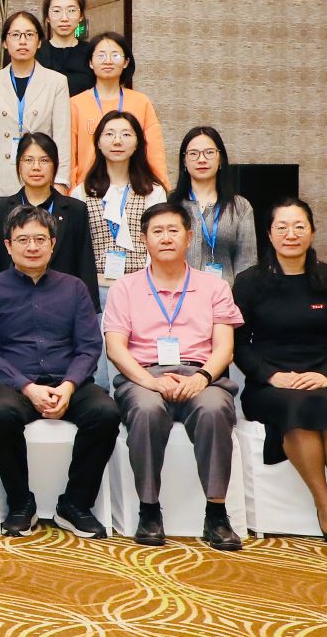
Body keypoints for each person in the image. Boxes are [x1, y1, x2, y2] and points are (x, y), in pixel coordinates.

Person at [233, 197, 327, 547]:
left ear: (312, 232)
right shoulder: (249, 282)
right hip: (269, 384)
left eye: (299, 226)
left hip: (320, 377)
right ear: (269, 234)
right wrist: (270, 375)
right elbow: (236, 342)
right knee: (296, 408)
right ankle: (324, 504)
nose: (291, 234)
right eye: (282, 227)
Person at [0, 205, 119, 538]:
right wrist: (27, 387)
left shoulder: (75, 288)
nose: (32, 247)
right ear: (8, 246)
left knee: (105, 412)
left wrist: (68, 386)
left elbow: (89, 347)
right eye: (23, 240)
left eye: (40, 239)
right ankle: (21, 504)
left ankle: (75, 504)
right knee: (0, 413)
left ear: (53, 244)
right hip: (11, 384)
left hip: (68, 382)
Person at [103, 202, 245, 550]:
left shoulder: (214, 287)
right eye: (157, 231)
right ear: (143, 239)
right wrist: (150, 381)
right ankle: (149, 510)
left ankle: (216, 514)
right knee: (146, 410)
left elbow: (225, 348)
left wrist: (203, 378)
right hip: (144, 376)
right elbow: (116, 348)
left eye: (173, 231)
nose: (166, 238)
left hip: (201, 374)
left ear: (189, 237)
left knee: (214, 409)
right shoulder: (125, 287)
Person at [0, 133, 99, 298]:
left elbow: (85, 265)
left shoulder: (75, 210)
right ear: (19, 165)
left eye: (44, 160)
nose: (36, 167)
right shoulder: (1, 210)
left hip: (63, 301)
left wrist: (89, 306)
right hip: (12, 302)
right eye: (28, 160)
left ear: (55, 166)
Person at [0, 10, 73, 197]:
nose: (22, 41)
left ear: (39, 42)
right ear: (5, 42)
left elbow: (62, 135)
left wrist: (61, 180)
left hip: (42, 175)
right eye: (15, 35)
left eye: (29, 35)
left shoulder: (57, 82)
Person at [77, 110, 169, 291]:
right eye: (109, 134)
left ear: (137, 143)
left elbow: (158, 240)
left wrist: (149, 283)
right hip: (93, 287)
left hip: (141, 286)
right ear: (98, 142)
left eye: (126, 134)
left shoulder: (153, 192)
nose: (117, 141)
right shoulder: (81, 192)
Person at [67, 31, 168, 190]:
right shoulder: (75, 104)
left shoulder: (141, 102)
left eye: (115, 56)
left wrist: (162, 189)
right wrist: (70, 194)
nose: (108, 61)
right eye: (101, 56)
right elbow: (69, 157)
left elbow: (155, 153)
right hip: (88, 190)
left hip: (135, 189)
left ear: (126, 62)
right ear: (91, 62)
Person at [173, 126, 259, 279]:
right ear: (184, 161)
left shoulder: (240, 207)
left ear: (221, 159)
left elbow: (246, 262)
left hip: (225, 293)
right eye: (193, 153)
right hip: (178, 292)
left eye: (209, 152)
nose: (201, 159)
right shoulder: (170, 205)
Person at [36, 0, 95, 98]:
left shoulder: (92, 52)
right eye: (57, 11)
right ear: (47, 17)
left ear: (81, 16)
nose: (64, 18)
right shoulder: (36, 53)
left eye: (71, 10)